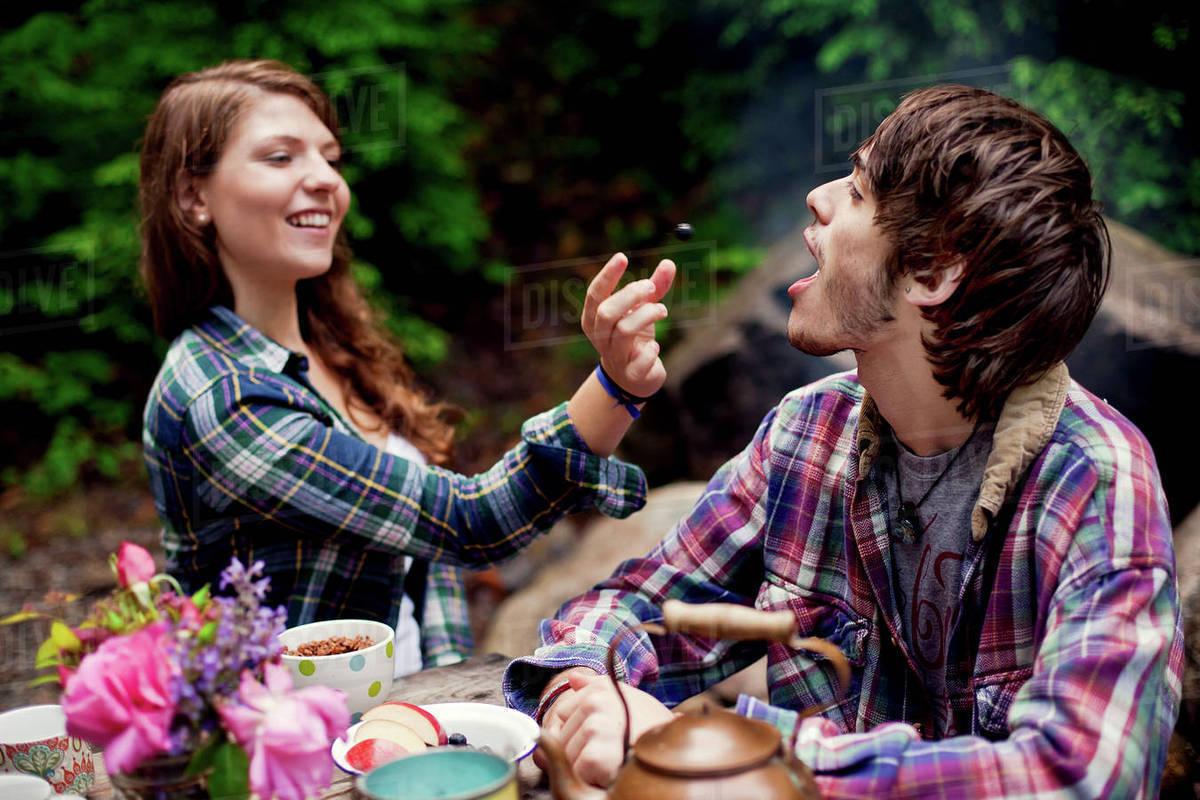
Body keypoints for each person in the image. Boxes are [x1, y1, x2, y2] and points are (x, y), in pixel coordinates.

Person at [504, 85, 1183, 797]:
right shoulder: (805, 433)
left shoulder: (1096, 481)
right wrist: (583, 691)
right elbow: (633, 607)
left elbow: (1079, 775)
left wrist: (744, 756)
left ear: (933, 270)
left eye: (856, 192)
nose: (817, 199)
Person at [138, 59, 675, 677]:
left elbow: (426, 562)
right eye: (281, 157)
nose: (324, 180)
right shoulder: (222, 395)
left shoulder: (338, 346)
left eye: (331, 158)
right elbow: (465, 522)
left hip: (403, 719)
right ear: (192, 196)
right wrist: (613, 386)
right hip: (294, 750)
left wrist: (448, 698)